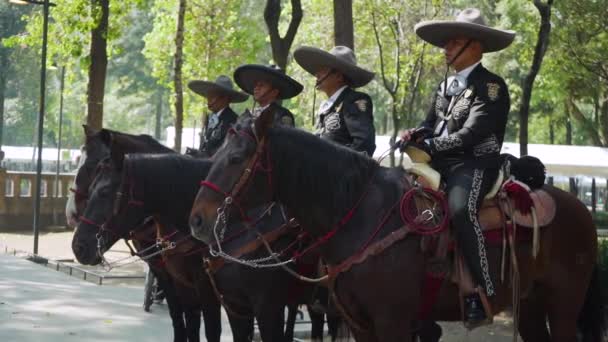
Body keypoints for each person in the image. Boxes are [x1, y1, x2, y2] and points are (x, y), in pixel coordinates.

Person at [400, 8, 515, 327]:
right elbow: (429, 124)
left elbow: (473, 133)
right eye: (446, 43)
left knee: (461, 210)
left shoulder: (491, 86)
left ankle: (484, 290)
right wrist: (414, 135)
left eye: (454, 43)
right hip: (438, 164)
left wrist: (432, 146)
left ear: (475, 46)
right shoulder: (444, 86)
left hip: (475, 164)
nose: (446, 49)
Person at [293, 45, 376, 156]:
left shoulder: (354, 100)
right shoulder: (328, 106)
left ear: (338, 76)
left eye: (323, 71)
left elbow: (364, 144)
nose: (317, 75)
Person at [188, 75, 249, 157]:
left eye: (212, 96)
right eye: (208, 96)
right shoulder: (210, 118)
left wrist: (203, 156)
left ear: (225, 98)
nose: (208, 100)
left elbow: (225, 150)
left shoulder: (233, 120)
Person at [233, 64, 303, 127]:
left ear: (274, 92)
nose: (256, 88)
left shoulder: (282, 115)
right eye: (256, 85)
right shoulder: (245, 116)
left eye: (261, 85)